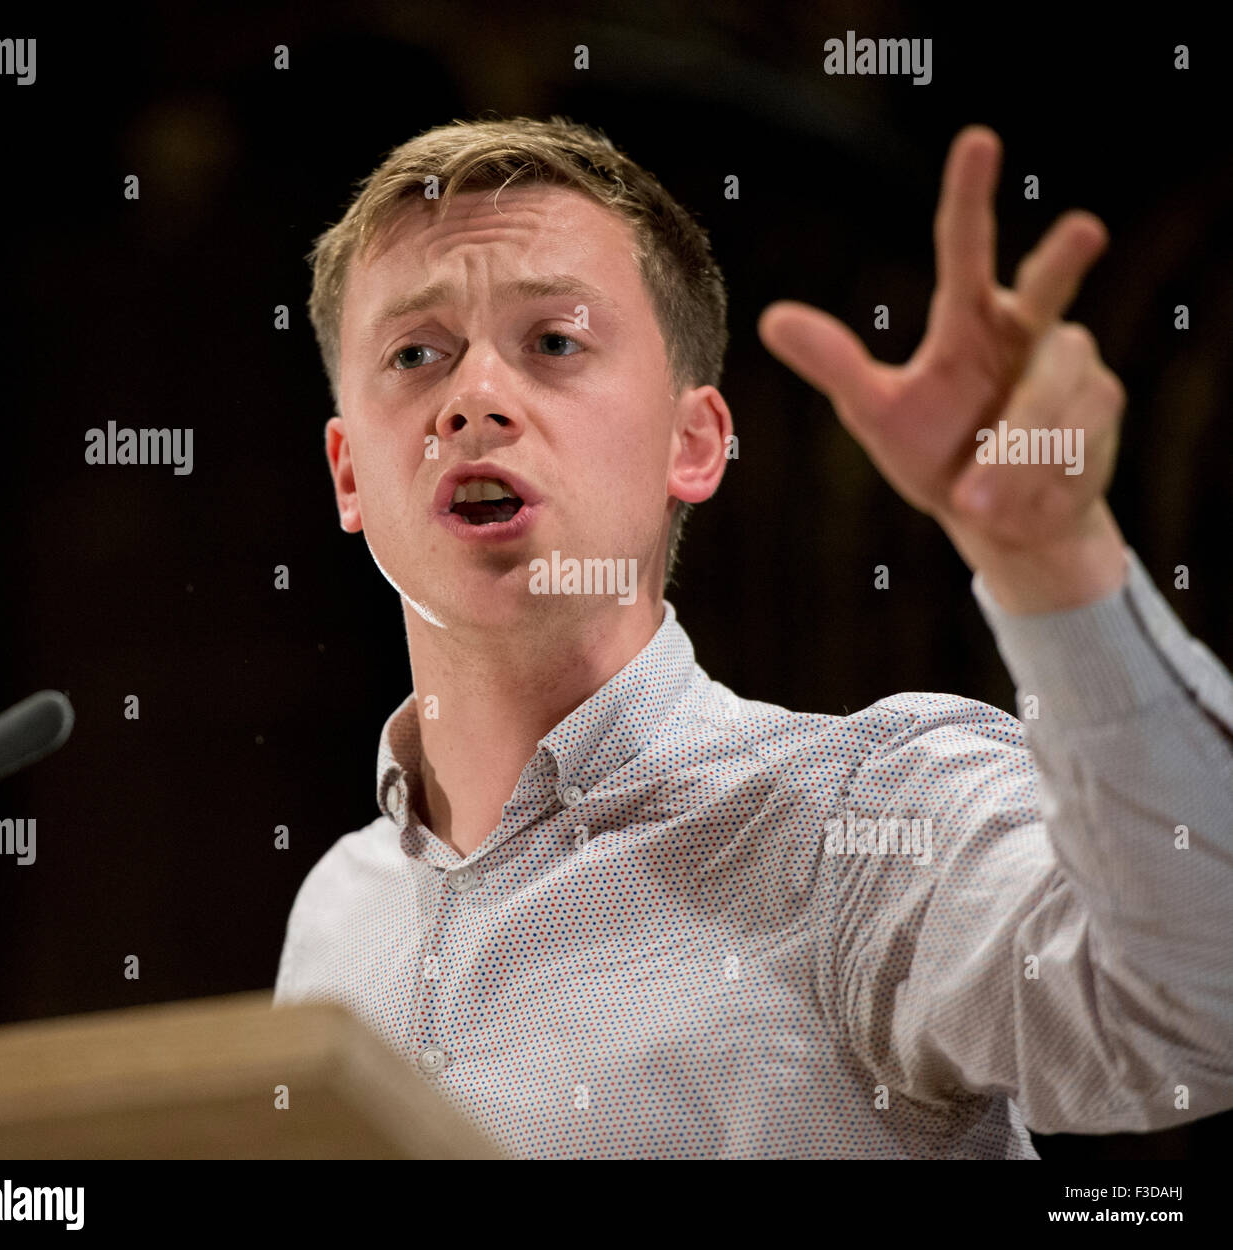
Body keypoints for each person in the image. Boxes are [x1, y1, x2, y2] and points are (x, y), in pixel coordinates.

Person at [273, 116, 1233, 1159]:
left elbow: (1199, 1001)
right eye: (416, 354)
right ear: (349, 474)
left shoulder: (859, 823)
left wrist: (1054, 557)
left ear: (692, 443)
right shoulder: (334, 911)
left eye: (554, 341)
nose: (473, 400)